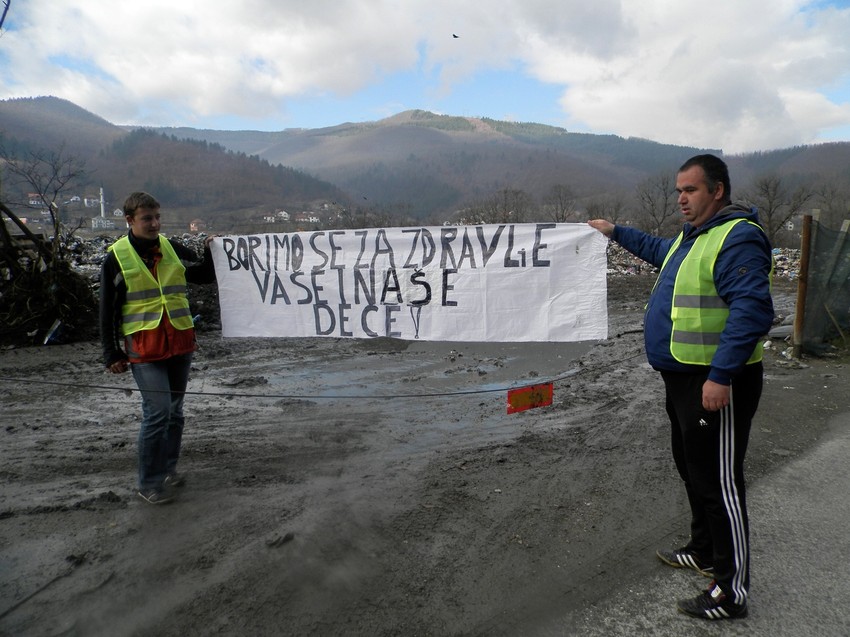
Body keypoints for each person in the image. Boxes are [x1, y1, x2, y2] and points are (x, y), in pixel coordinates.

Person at [588, 154, 774, 620]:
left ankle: (731, 592)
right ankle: (705, 549)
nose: (682, 199)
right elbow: (655, 248)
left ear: (717, 191)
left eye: (690, 190)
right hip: (684, 380)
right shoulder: (692, 240)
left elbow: (752, 310)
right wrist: (615, 232)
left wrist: (721, 374)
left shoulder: (737, 239)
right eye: (678, 190)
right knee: (693, 471)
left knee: (720, 484)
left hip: (715, 384)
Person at [100, 192, 216, 505]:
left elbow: (202, 276)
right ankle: (148, 483)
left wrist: (211, 253)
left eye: (157, 217)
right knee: (158, 413)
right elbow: (107, 310)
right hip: (144, 349)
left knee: (175, 413)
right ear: (130, 220)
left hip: (179, 342)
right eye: (147, 218)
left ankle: (167, 470)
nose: (154, 224)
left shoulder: (169, 247)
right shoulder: (116, 257)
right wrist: (111, 353)